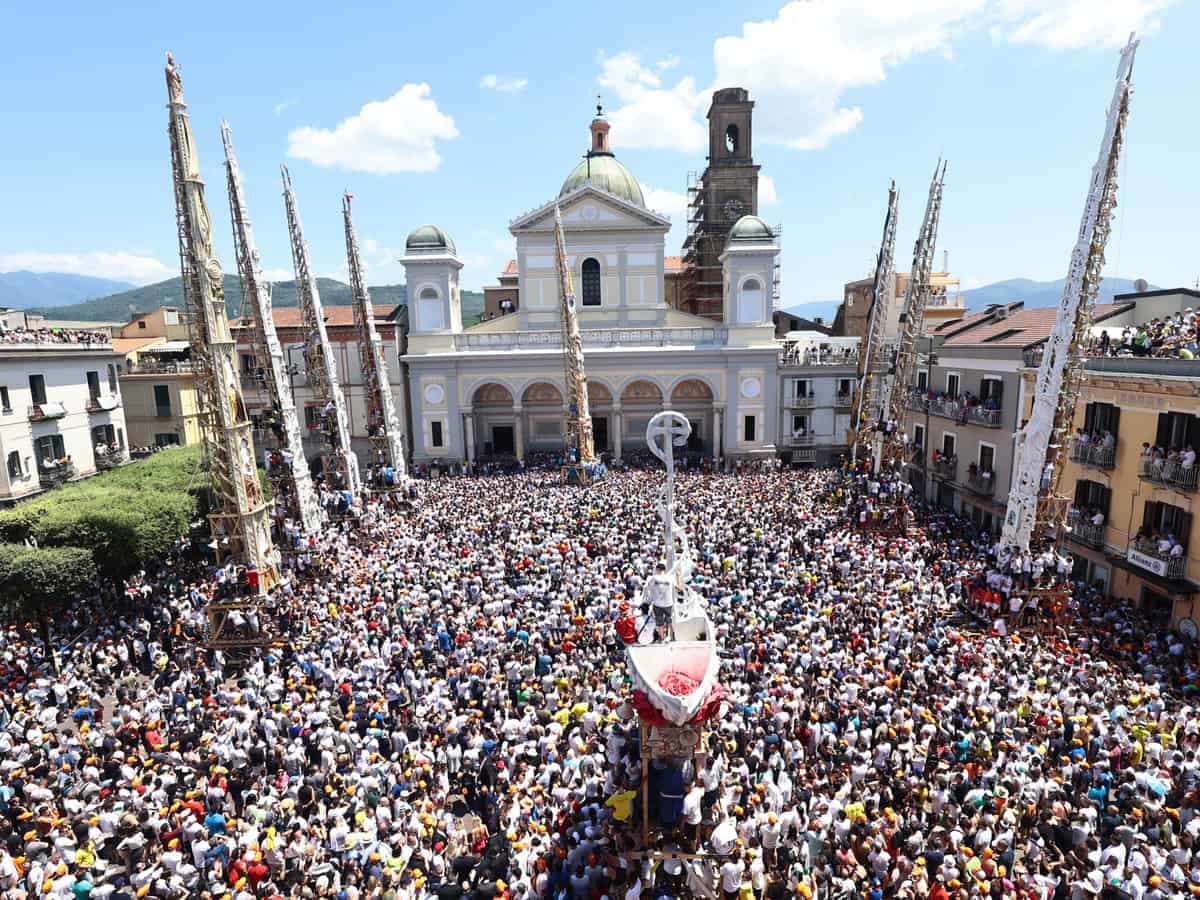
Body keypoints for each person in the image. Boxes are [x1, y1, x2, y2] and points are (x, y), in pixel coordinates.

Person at [646, 561, 675, 641]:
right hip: (668, 603)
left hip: (658, 603)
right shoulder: (670, 577)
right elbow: (676, 587)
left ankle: (662, 638)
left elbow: (649, 587)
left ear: (657, 569)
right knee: (669, 621)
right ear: (664, 570)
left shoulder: (653, 578)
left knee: (660, 623)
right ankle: (671, 637)